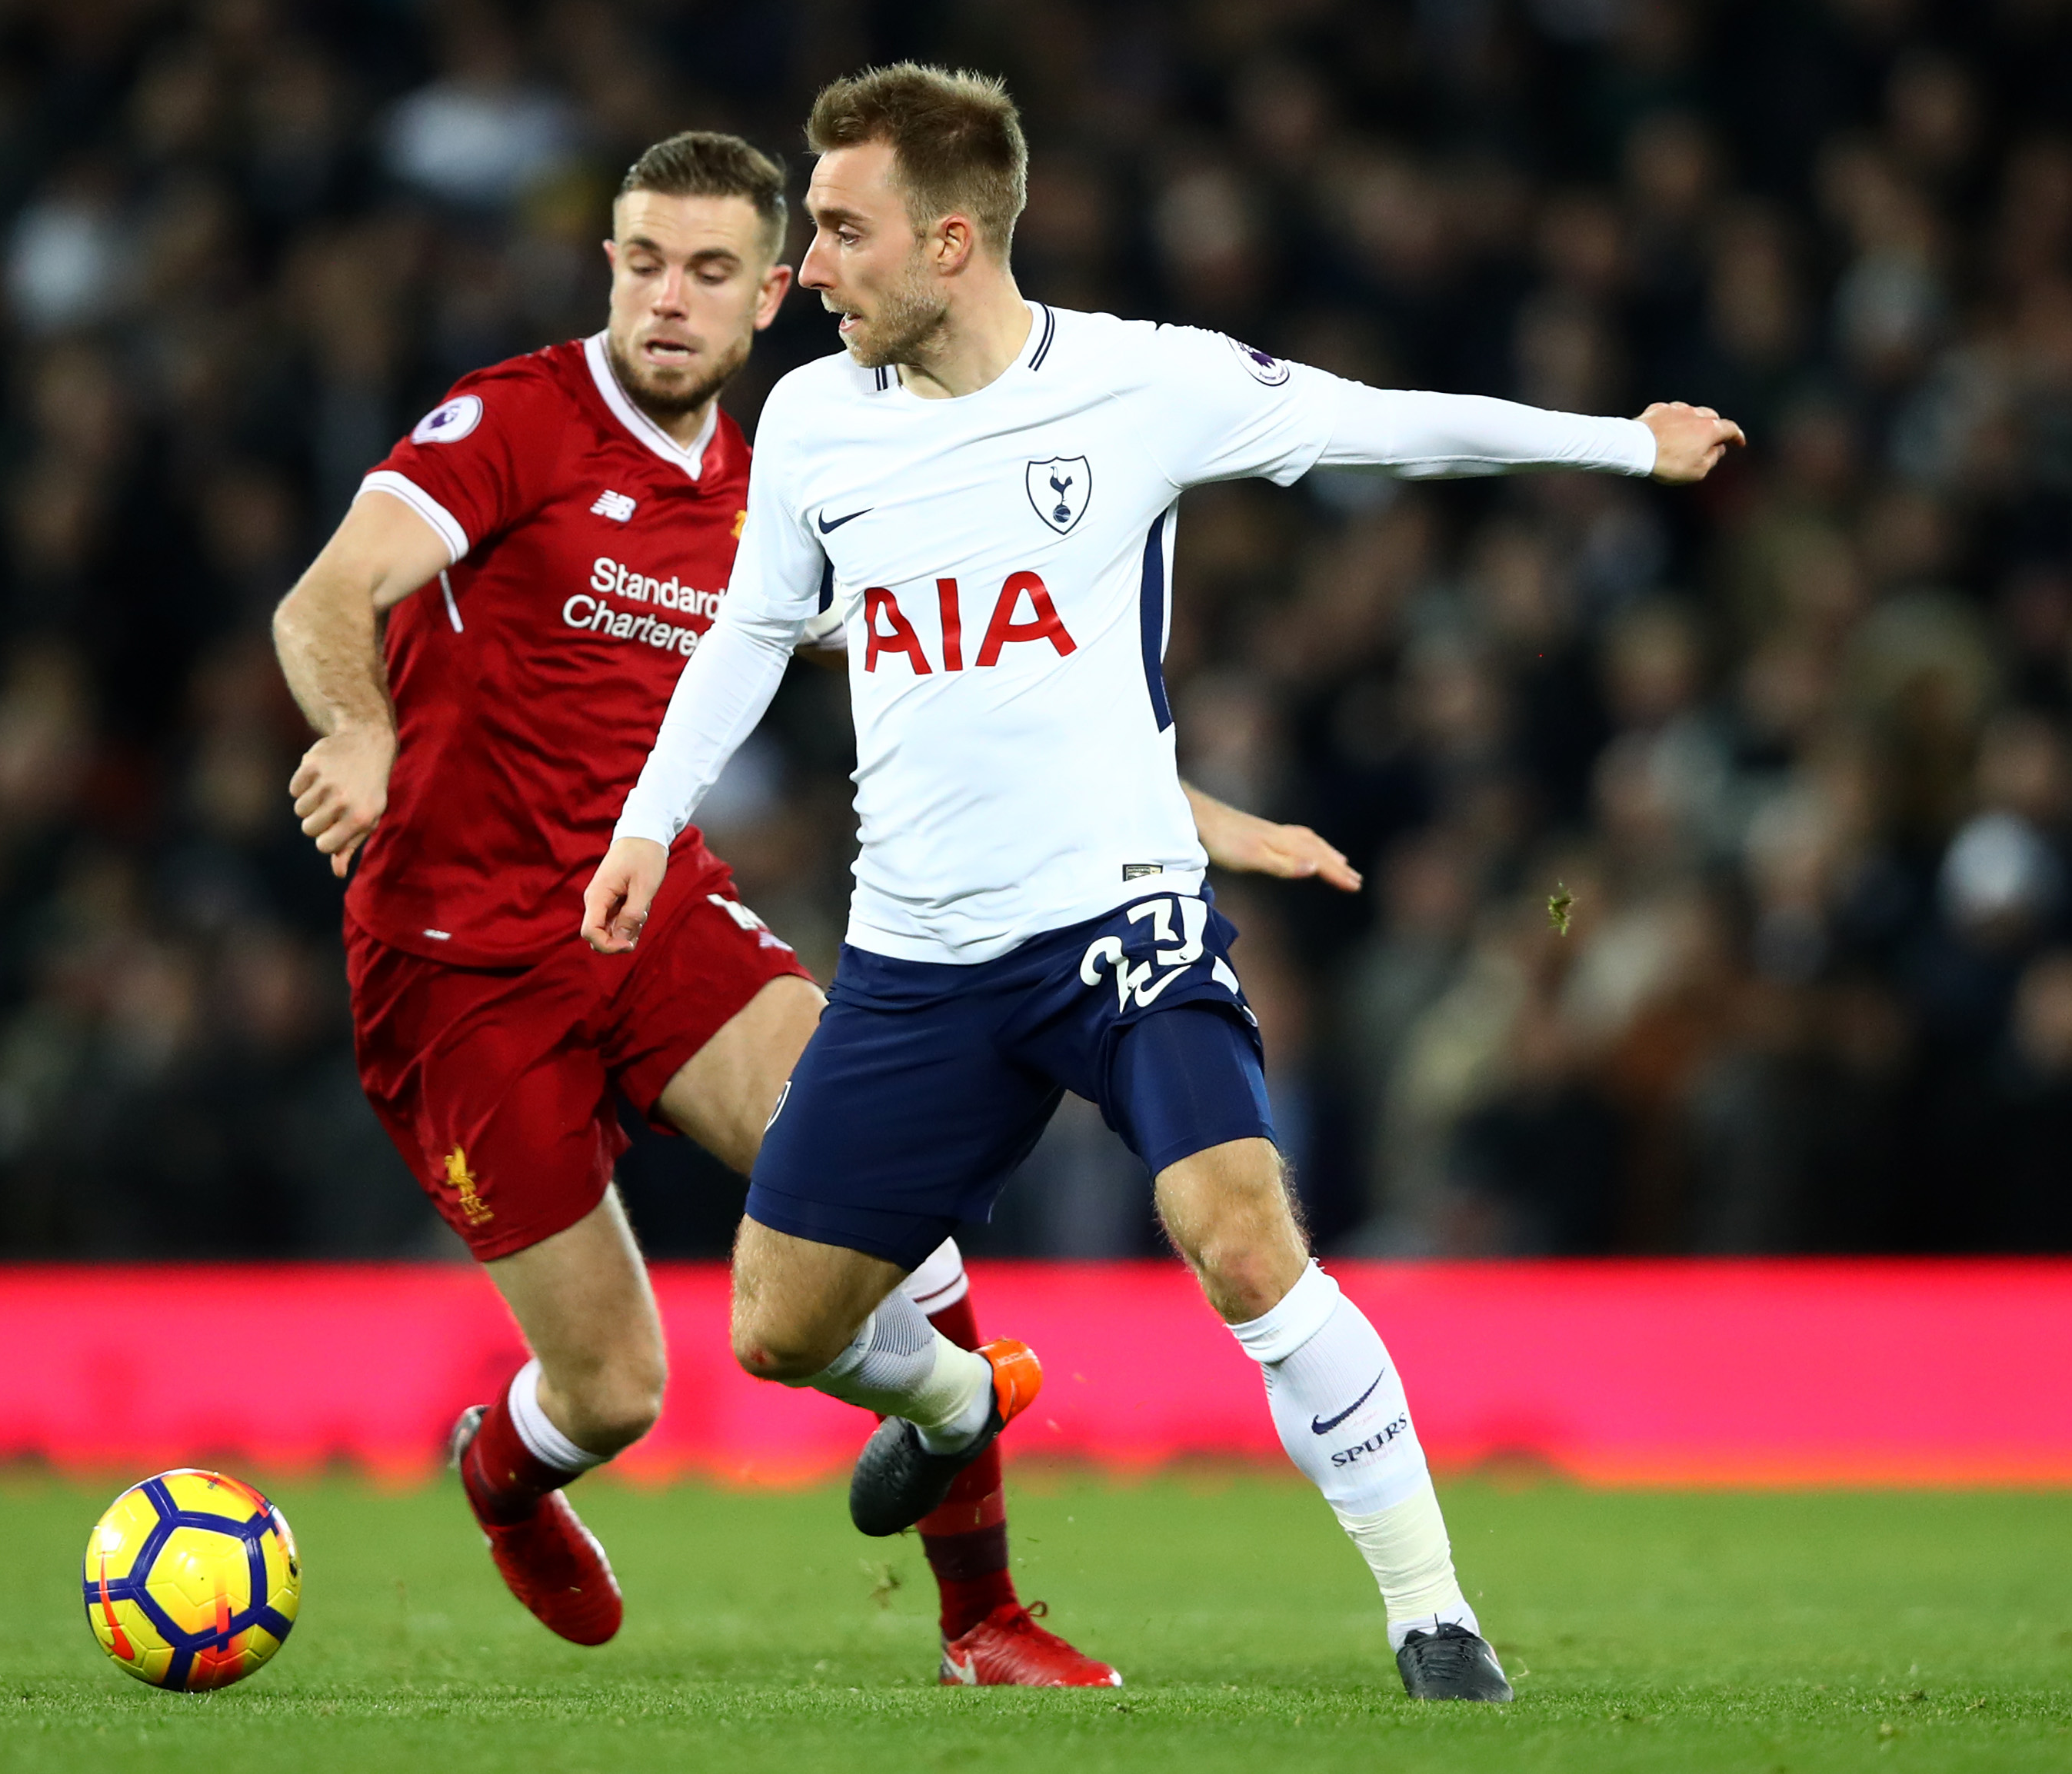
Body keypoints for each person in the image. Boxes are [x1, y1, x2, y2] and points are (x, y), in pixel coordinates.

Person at [585, 67, 1744, 1702]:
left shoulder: (1140, 384)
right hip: (918, 955)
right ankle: (959, 1402)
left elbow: (1383, 423)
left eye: (838, 231)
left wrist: (1622, 444)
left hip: (1114, 916)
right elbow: (755, 630)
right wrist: (646, 820)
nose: (810, 269)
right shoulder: (813, 420)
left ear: (952, 237)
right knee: (776, 1326)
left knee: (1235, 1229)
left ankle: (1433, 1614)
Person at [278, 131, 1154, 1685]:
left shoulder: (777, 487)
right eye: (637, 262)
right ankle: (505, 1465)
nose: (664, 299)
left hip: (646, 917)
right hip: (457, 969)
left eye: (703, 272)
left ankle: (980, 1619)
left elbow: (922, 638)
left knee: (892, 1160)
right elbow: (327, 596)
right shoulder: (508, 423)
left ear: (773, 297)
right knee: (618, 1387)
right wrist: (356, 727)